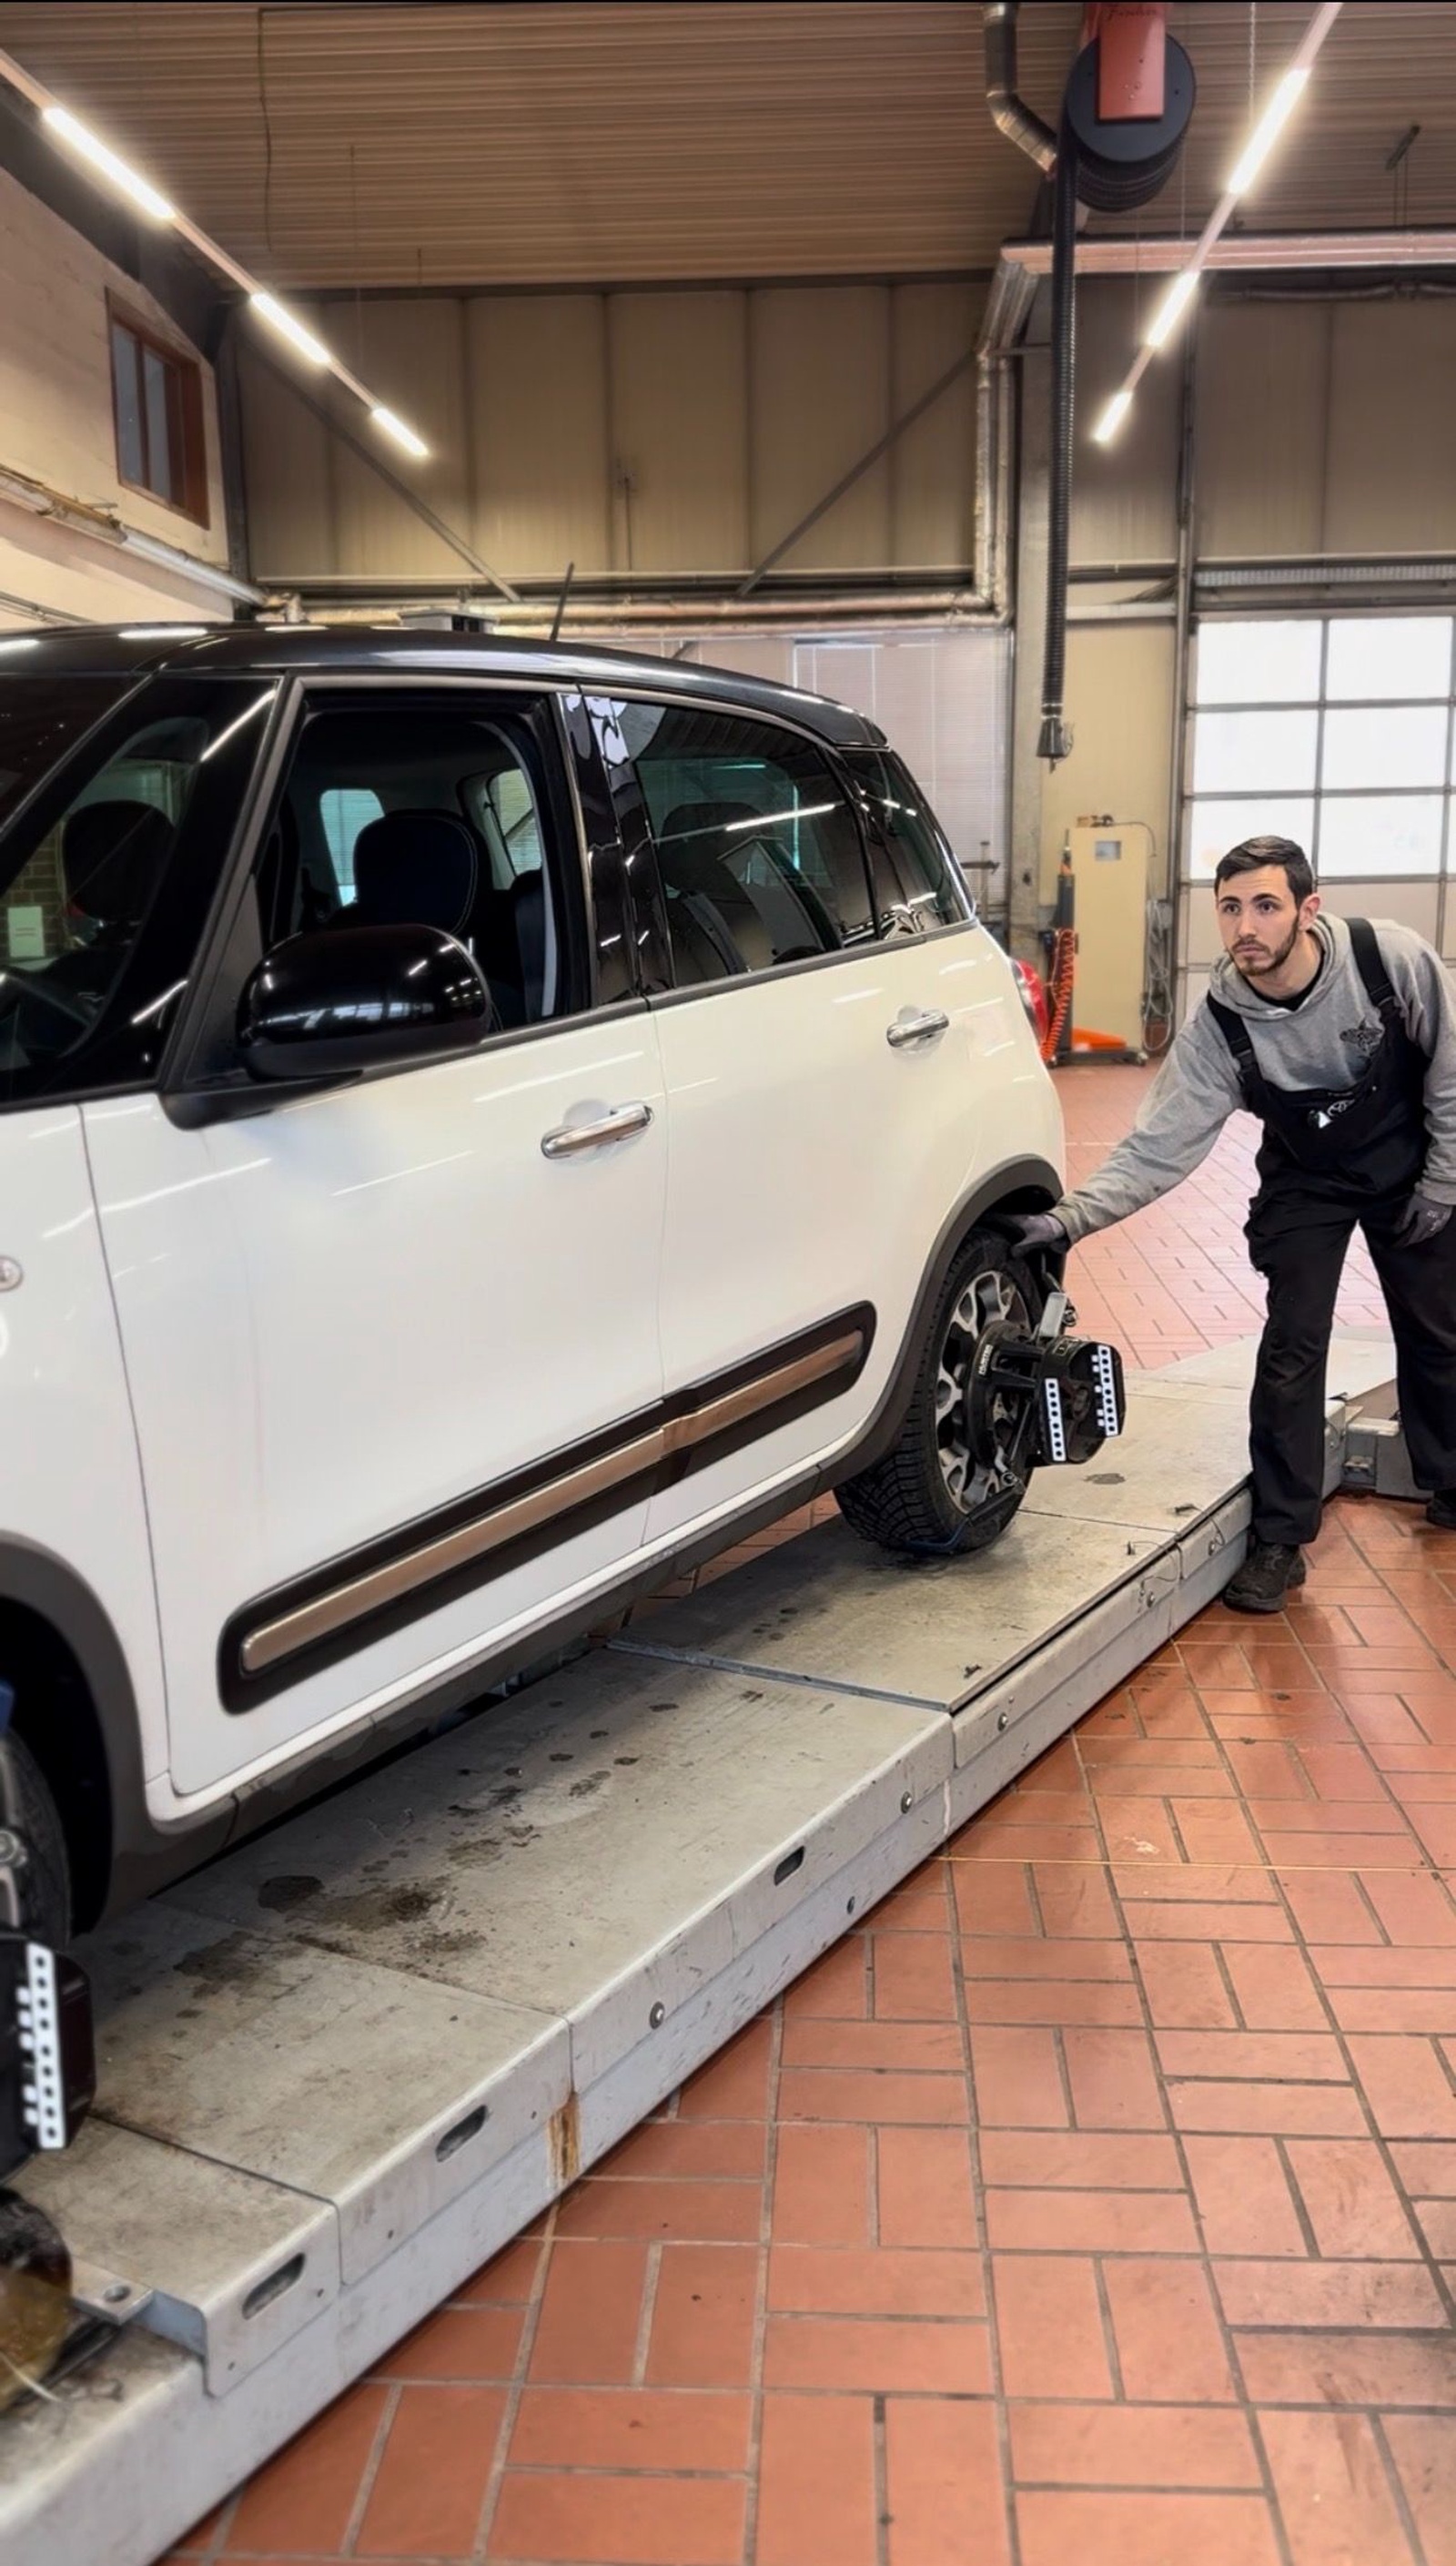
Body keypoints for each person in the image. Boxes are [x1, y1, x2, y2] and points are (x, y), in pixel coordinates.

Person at [1005, 837, 1456, 1613]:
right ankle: (1280, 1537)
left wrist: (1445, 1181)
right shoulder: (1220, 1023)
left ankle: (1450, 1479)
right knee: (1291, 1348)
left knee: (1438, 1328)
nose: (1246, 926)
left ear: (1309, 910)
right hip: (1307, 1180)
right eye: (1231, 908)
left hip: (1411, 1163)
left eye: (1266, 905)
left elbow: (1451, 1069)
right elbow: (1158, 1146)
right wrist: (1069, 1219)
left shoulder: (1389, 960)